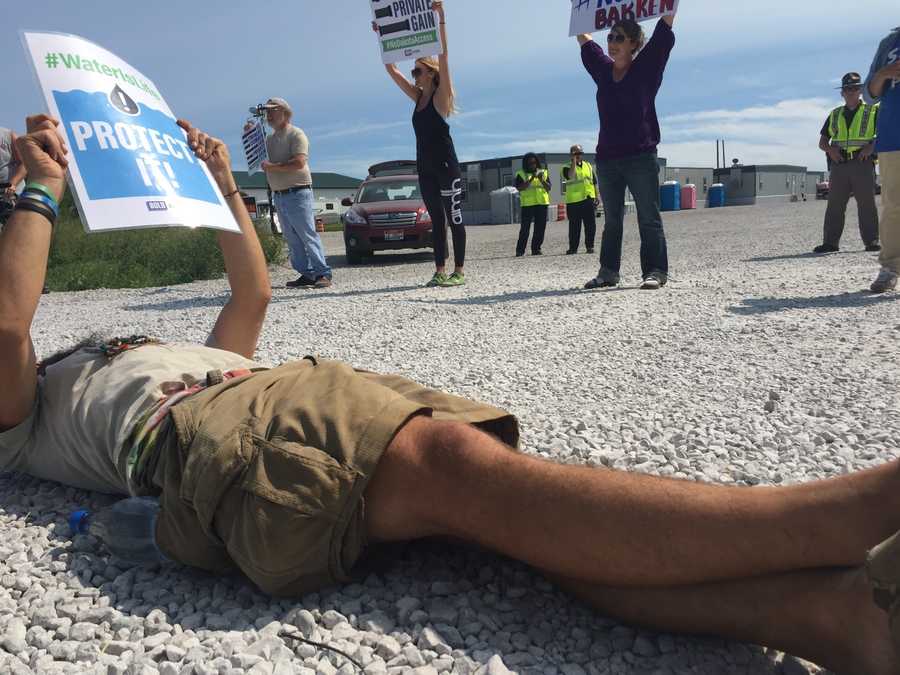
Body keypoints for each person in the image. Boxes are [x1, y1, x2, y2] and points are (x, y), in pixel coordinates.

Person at [4, 115, 900, 675]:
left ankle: (831, 618)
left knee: (515, 522)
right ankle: (847, 514)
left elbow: (252, 296)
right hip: (214, 439)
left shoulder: (127, 359)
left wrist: (220, 187)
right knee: (459, 467)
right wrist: (39, 190)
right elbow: (9, 329)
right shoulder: (23, 417)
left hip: (269, 396)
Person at [578, 16, 675, 291]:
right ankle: (608, 272)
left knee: (649, 216)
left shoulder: (647, 66)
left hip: (641, 157)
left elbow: (665, 27)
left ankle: (655, 271)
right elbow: (584, 38)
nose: (612, 42)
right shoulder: (603, 70)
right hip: (607, 159)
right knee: (612, 221)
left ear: (634, 43)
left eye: (619, 37)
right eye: (610, 37)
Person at [377, 1, 466, 288]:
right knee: (436, 221)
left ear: (429, 72)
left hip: (446, 165)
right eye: (413, 72)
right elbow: (391, 69)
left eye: (417, 71)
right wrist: (383, 36)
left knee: (454, 218)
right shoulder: (417, 99)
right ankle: (439, 269)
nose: (413, 75)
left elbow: (445, 55)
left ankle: (459, 272)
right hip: (425, 166)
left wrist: (441, 19)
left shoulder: (441, 98)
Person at [261, 98, 332, 289]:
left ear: (285, 112)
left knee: (307, 235)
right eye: (267, 112)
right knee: (291, 237)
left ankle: (323, 273)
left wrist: (272, 167)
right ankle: (307, 274)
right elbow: (260, 159)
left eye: (273, 110)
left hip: (298, 191)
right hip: (280, 194)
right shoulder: (268, 140)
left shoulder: (296, 134)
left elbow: (299, 162)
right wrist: (251, 135)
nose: (269, 115)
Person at [814, 73, 881, 255]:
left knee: (866, 204)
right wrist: (831, 150)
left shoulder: (873, 111)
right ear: (842, 93)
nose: (851, 92)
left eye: (854, 88)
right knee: (835, 204)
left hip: (863, 162)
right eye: (847, 89)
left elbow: (884, 134)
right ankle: (830, 243)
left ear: (860, 91)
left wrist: (871, 147)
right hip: (839, 165)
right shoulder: (834, 114)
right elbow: (823, 142)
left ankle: (872, 241)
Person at [865, 28, 900, 293]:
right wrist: (883, 74)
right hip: (893, 135)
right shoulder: (889, 42)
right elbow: (870, 94)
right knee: (893, 205)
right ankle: (890, 267)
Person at [561, 144, 599, 255]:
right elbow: (571, 176)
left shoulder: (588, 166)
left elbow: (594, 182)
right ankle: (573, 248)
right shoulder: (566, 167)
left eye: (579, 153)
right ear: (571, 154)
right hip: (574, 201)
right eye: (575, 153)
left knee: (590, 225)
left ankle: (590, 246)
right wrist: (573, 162)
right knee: (574, 226)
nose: (578, 155)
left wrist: (597, 196)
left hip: (588, 199)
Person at [514, 153, 551, 257]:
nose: (532, 165)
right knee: (525, 229)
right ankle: (520, 250)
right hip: (527, 204)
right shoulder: (520, 173)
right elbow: (520, 188)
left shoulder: (543, 172)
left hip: (542, 203)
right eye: (530, 163)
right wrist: (530, 179)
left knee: (540, 228)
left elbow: (548, 188)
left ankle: (536, 249)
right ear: (526, 164)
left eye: (534, 162)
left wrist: (541, 179)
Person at [0, 127, 26, 226]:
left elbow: (25, 164)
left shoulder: (9, 137)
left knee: (16, 228)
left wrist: (13, 183)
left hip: (13, 193)